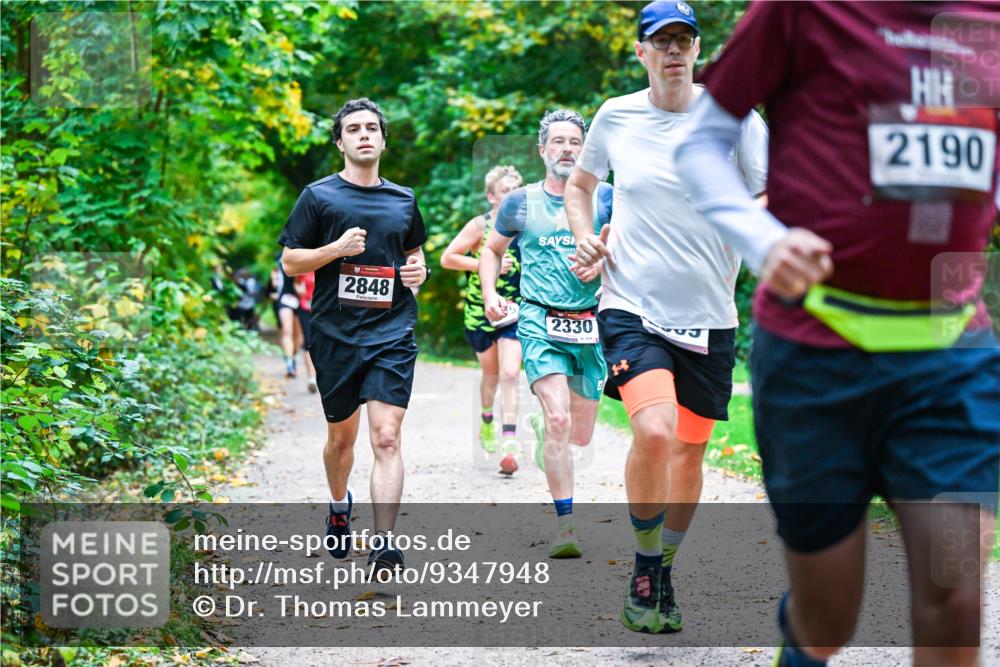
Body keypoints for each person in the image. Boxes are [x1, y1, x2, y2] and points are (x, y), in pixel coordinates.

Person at [674, 3, 1000, 665]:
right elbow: (702, 142)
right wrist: (766, 242)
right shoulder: (804, 9)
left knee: (956, 598)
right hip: (816, 354)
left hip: (953, 354)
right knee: (828, 614)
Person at [566, 0, 768, 634]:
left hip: (709, 313)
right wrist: (585, 236)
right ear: (642, 52)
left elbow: (764, 193)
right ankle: (645, 565)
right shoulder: (616, 116)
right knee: (652, 431)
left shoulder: (735, 119)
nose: (674, 50)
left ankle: (668, 568)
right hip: (633, 305)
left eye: (685, 39)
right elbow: (580, 184)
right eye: (662, 41)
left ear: (698, 50)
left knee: (688, 453)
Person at [278, 98, 430, 573]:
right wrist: (336, 249)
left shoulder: (403, 198)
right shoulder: (318, 196)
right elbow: (290, 261)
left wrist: (417, 272)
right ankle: (339, 503)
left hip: (392, 330)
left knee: (386, 437)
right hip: (335, 334)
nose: (364, 135)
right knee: (341, 441)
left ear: (382, 139)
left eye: (371, 128)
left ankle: (384, 542)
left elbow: (414, 252)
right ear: (340, 142)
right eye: (353, 129)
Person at [480, 109, 612, 555]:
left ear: (586, 148)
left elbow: (632, 249)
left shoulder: (607, 198)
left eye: (575, 141)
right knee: (559, 420)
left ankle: (545, 428)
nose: (567, 149)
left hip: (591, 324)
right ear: (542, 150)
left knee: (580, 435)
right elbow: (490, 251)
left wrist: (606, 262)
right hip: (539, 321)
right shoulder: (520, 202)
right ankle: (567, 526)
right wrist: (489, 293)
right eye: (558, 141)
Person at [441, 165, 524, 458]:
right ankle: (487, 418)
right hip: (481, 312)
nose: (512, 196)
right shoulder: (481, 226)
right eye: (505, 191)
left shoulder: (527, 227)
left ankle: (510, 441)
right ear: (492, 196)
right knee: (491, 376)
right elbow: (447, 258)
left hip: (515, 312)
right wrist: (484, 264)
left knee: (511, 373)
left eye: (517, 190)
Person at [269, 255, 303, 377]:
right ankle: (290, 364)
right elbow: (274, 283)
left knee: (299, 336)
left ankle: (292, 357)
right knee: (287, 331)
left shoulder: (306, 257)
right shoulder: (278, 262)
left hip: (301, 301)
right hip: (285, 298)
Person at [294, 270, 318, 392]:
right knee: (308, 343)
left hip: (322, 310)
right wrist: (299, 290)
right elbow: (296, 282)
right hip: (305, 309)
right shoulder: (305, 266)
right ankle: (311, 378)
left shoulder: (327, 264)